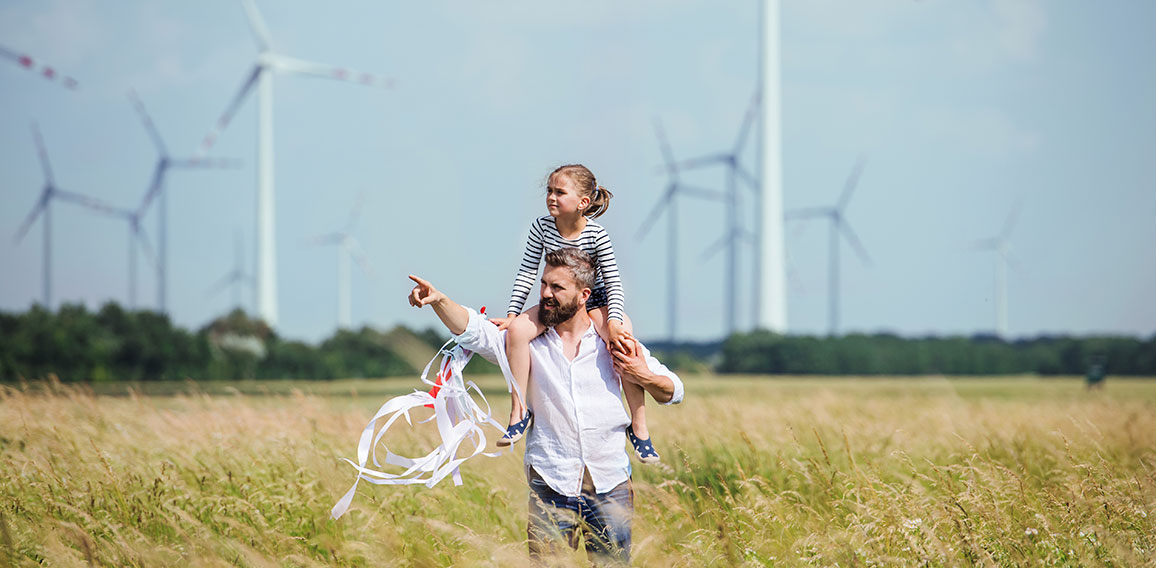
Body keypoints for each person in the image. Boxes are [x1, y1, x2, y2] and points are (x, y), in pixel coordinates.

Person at [407, 247, 684, 564]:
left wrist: (641, 374)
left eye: (557, 288)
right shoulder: (523, 342)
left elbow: (673, 390)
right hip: (550, 483)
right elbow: (473, 330)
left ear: (584, 295)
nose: (545, 295)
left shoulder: (611, 340)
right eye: (544, 285)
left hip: (610, 485)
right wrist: (440, 300)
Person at [491, 164, 660, 464]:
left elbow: (613, 280)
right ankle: (519, 410)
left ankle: (639, 426)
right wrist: (512, 313)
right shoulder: (541, 228)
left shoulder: (597, 234)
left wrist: (615, 320)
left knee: (624, 343)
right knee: (516, 332)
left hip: (595, 300)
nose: (551, 197)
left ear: (583, 202)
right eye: (549, 191)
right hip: (556, 301)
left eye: (559, 192)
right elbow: (527, 273)